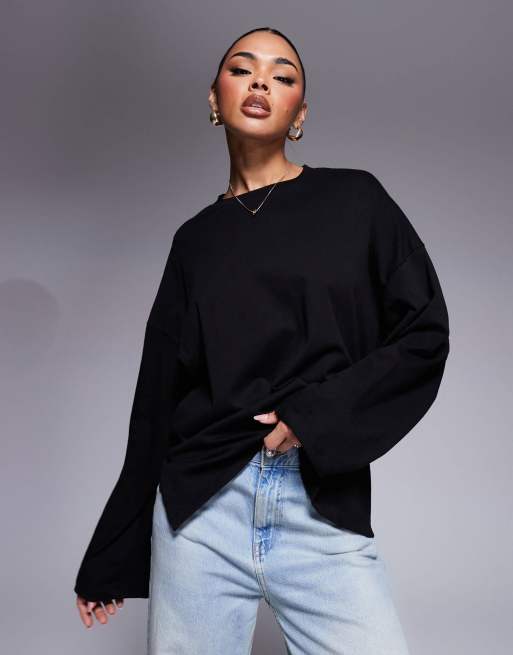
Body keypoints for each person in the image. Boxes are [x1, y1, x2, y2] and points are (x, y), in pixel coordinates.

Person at [74, 26, 450, 654]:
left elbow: (424, 334)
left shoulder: (355, 199)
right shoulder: (194, 241)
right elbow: (156, 401)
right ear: (214, 99)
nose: (260, 82)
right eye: (242, 69)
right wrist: (113, 550)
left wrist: (312, 417)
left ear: (299, 114)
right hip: (201, 514)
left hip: (317, 500)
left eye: (283, 76)